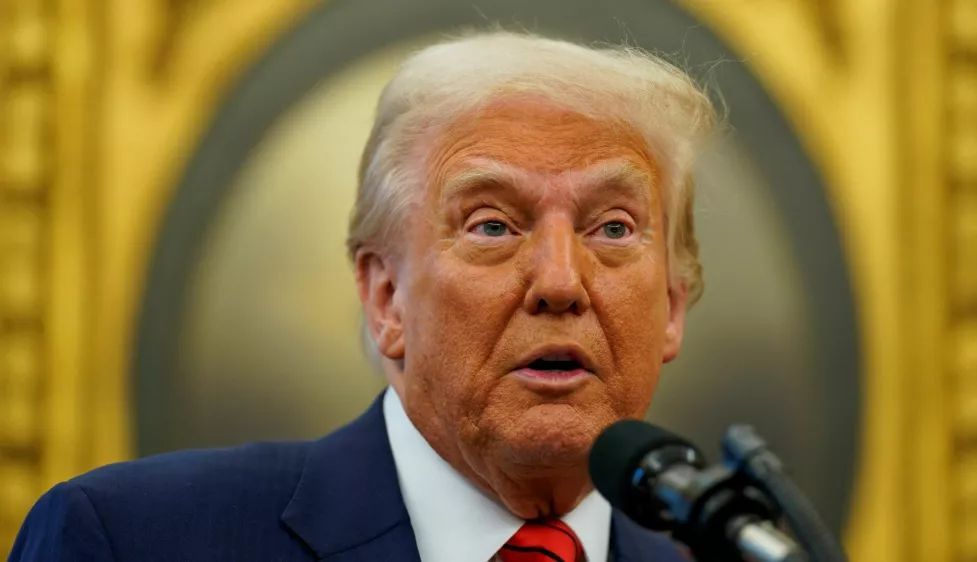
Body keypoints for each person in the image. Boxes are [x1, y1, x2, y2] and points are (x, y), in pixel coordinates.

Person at [10, 30, 716, 562]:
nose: (561, 282)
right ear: (386, 298)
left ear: (674, 307)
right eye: (492, 224)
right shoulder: (130, 540)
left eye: (614, 227)